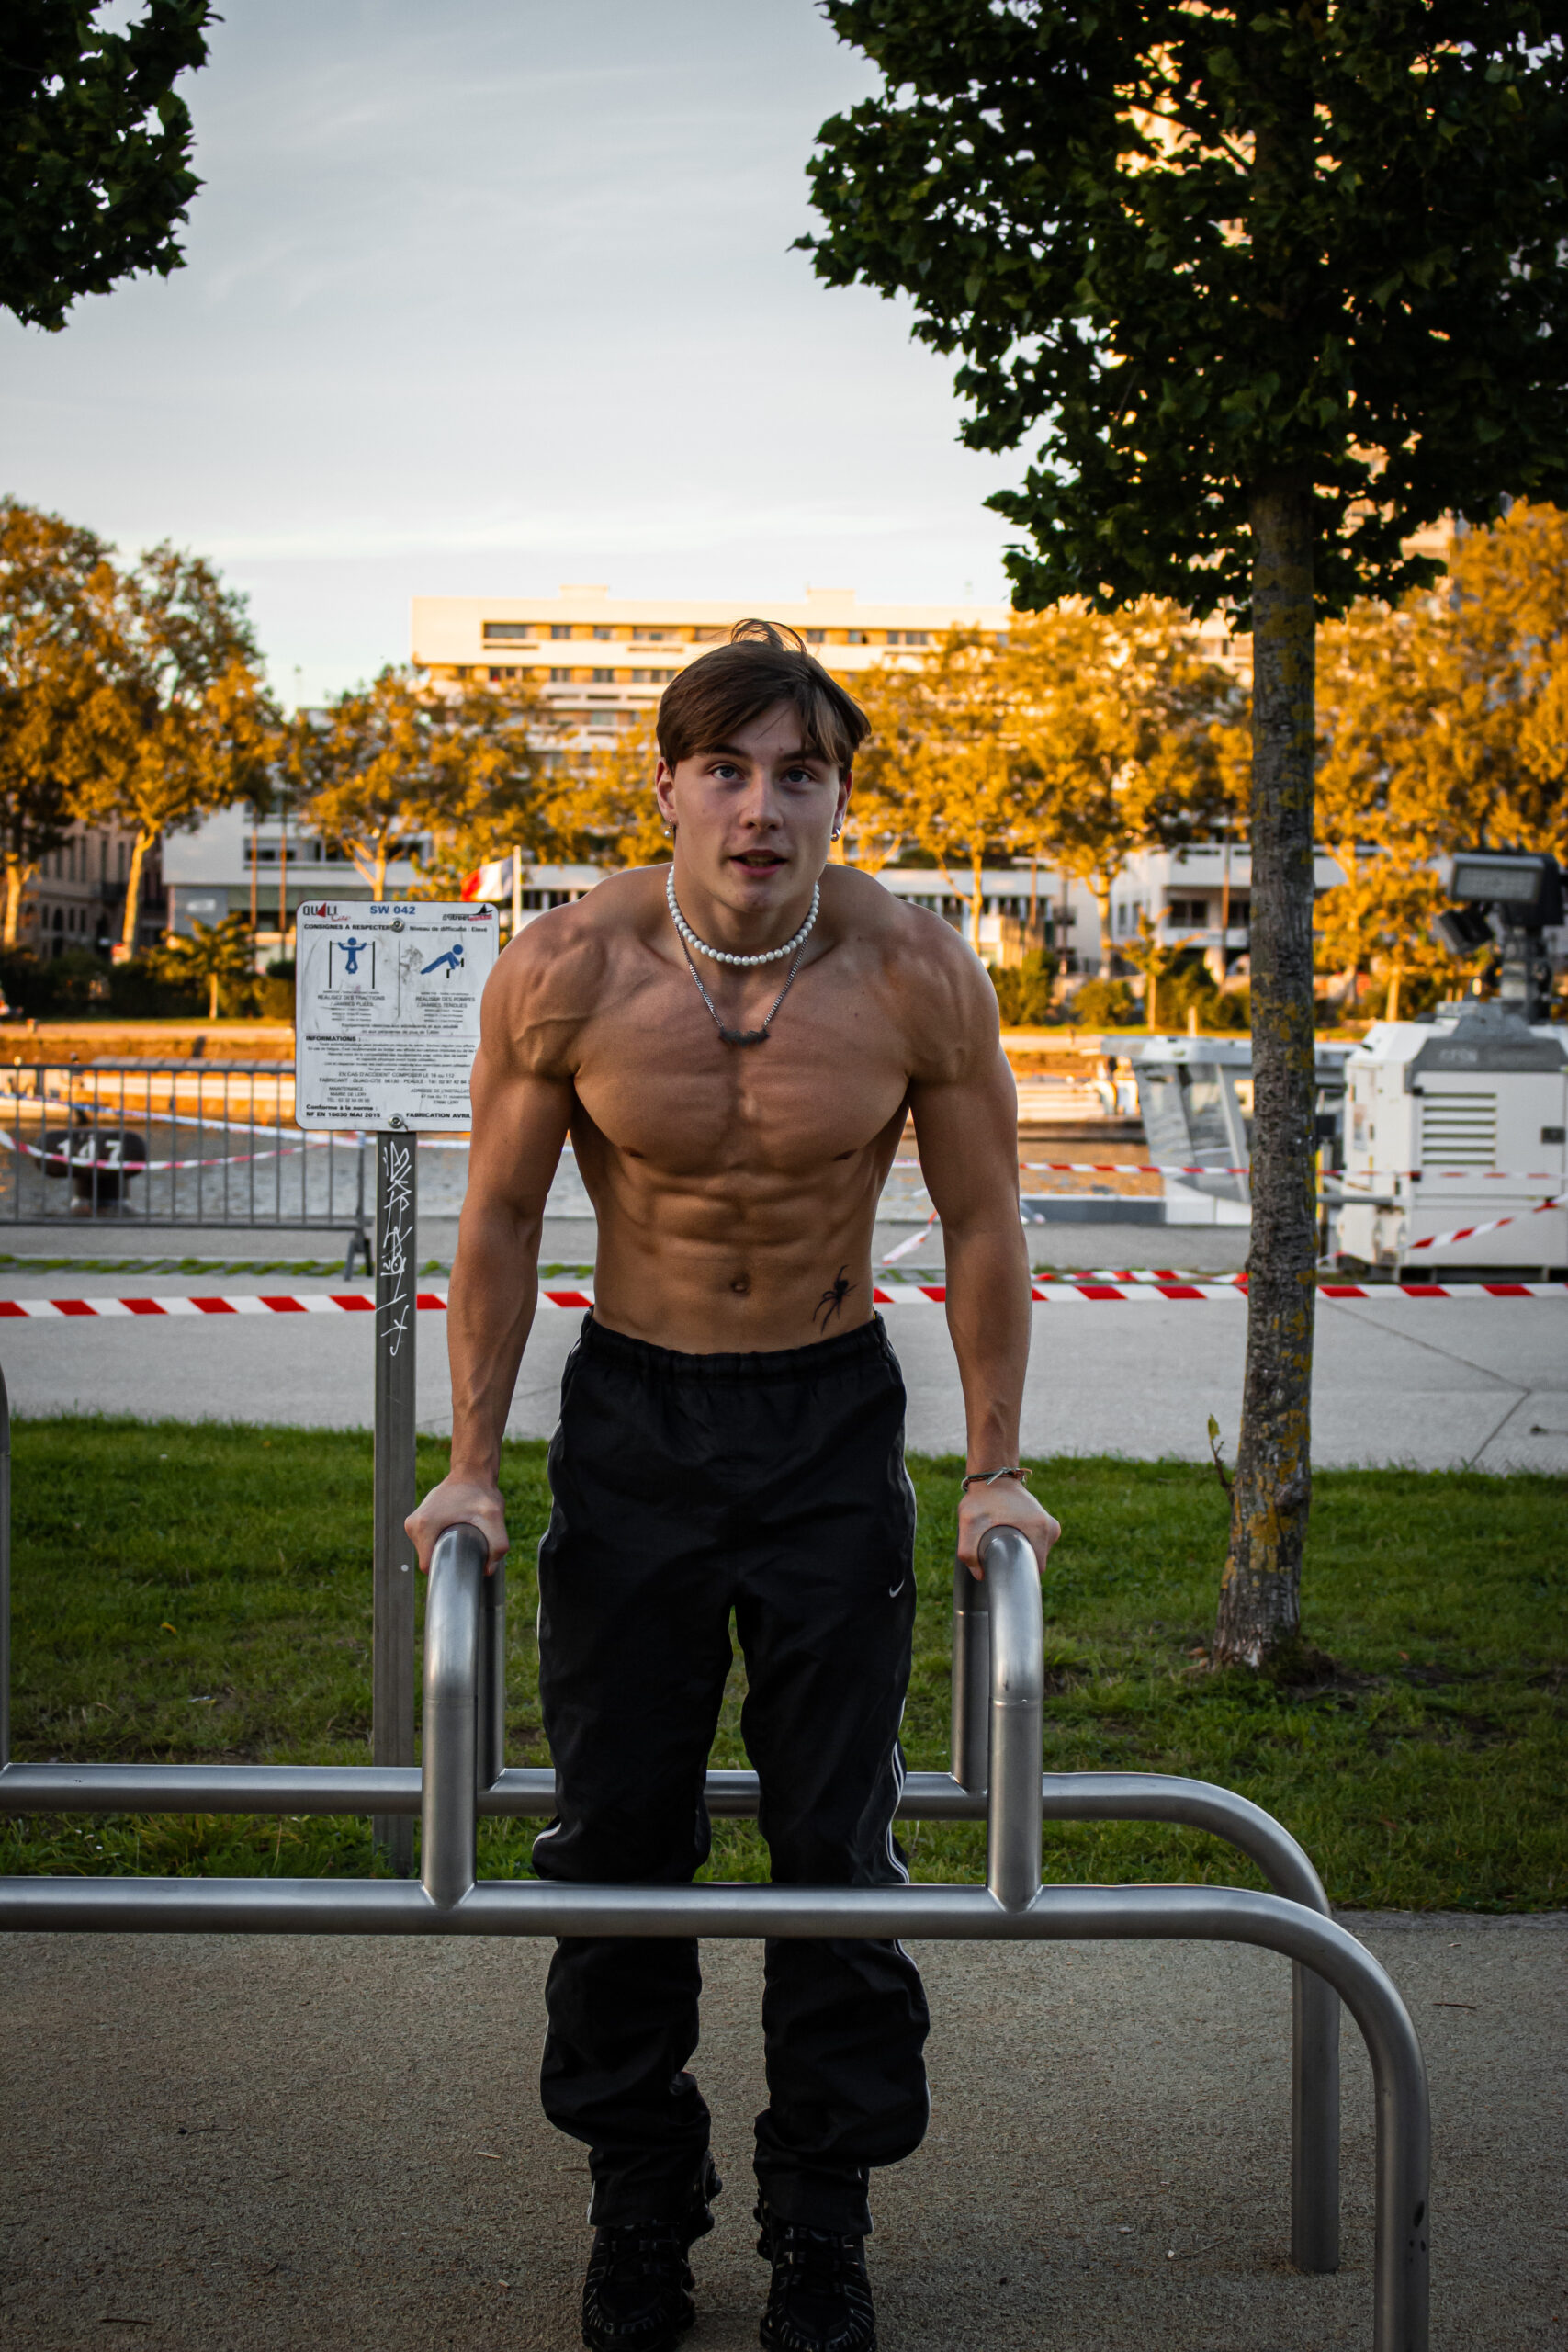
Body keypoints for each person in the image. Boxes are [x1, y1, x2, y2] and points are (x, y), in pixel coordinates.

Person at [407, 620, 1058, 2352]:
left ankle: (820, 2220)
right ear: (672, 785)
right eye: (728, 770)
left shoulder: (916, 971)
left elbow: (989, 1222)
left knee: (835, 1833)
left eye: (800, 773)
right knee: (620, 1830)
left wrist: (994, 1468)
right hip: (636, 1425)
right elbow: (496, 1221)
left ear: (839, 796)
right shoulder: (567, 968)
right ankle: (640, 2209)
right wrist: (471, 1464)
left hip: (831, 1428)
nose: (761, 807)